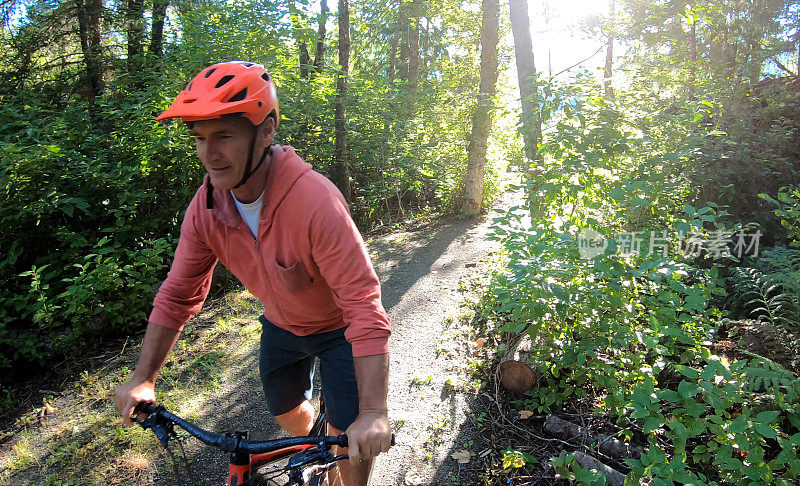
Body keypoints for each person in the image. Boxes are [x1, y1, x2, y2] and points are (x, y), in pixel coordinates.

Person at [113, 61, 393, 486]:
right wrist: (143, 379)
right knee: (287, 413)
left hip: (340, 331)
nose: (209, 154)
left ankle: (338, 457)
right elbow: (178, 294)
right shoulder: (206, 209)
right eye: (200, 139)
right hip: (282, 326)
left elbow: (363, 306)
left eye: (223, 135)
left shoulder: (316, 202)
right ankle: (323, 438)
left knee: (349, 457)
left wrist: (373, 412)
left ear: (266, 132)